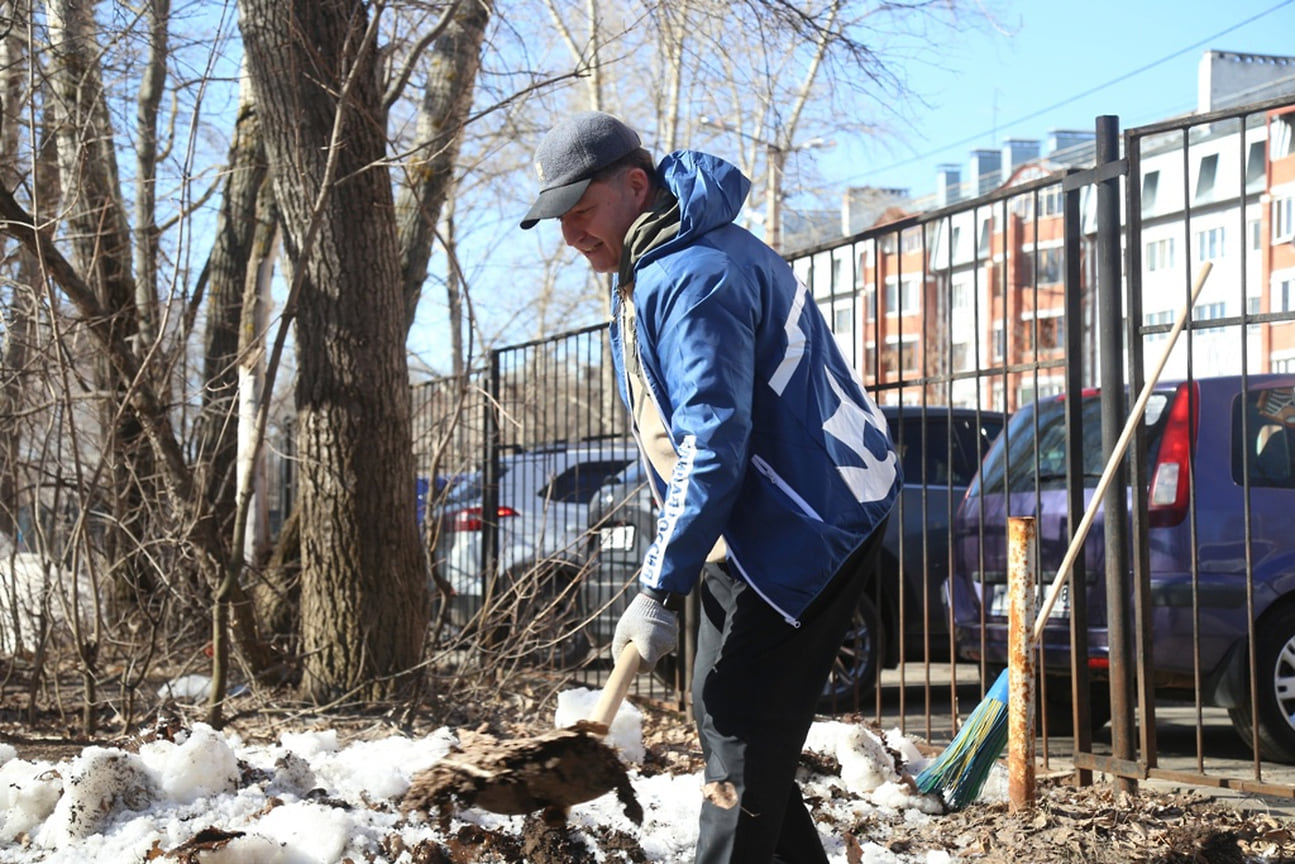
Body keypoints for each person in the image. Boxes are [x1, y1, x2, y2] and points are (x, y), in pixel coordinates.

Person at [520, 110, 901, 864]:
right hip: (755, 523)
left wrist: (659, 586)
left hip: (809, 520)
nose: (570, 236)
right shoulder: (659, 262)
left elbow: (709, 442)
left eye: (581, 212)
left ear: (635, 186)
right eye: (558, 219)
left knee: (739, 717)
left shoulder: (694, 273)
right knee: (724, 712)